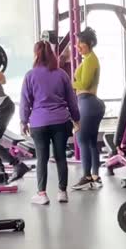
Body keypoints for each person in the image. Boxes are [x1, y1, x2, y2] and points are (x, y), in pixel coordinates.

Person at [19, 40, 80, 205]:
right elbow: (72, 100)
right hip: (61, 121)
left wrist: (23, 121)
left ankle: (42, 194)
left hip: (39, 122)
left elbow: (25, 102)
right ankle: (62, 192)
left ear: (36, 55)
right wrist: (76, 118)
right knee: (61, 157)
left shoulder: (30, 75)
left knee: (42, 158)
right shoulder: (61, 74)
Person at [72, 27, 105, 191]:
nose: (77, 46)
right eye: (77, 43)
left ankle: (86, 176)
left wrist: (69, 83)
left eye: (81, 43)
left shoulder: (90, 60)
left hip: (87, 102)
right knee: (91, 141)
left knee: (82, 139)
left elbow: (84, 84)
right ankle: (95, 176)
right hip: (91, 103)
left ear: (89, 43)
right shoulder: (89, 59)